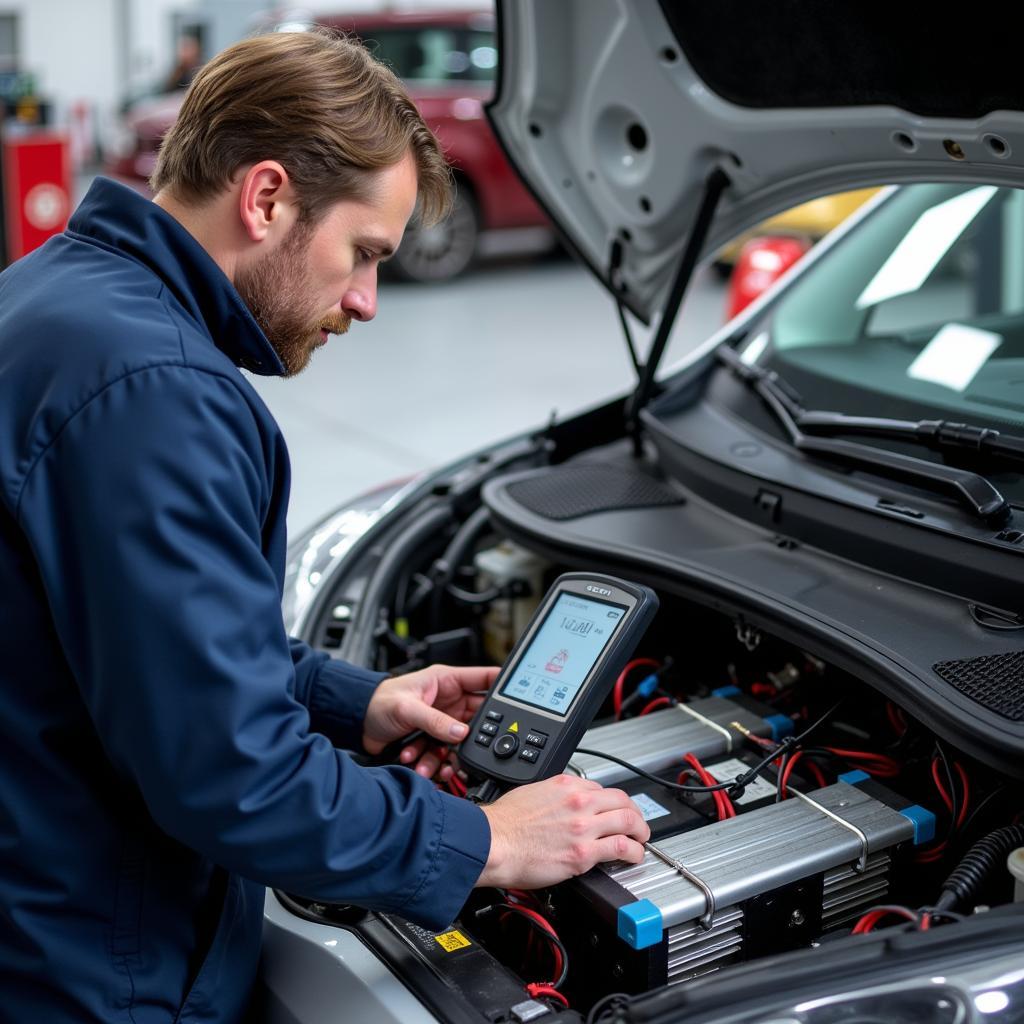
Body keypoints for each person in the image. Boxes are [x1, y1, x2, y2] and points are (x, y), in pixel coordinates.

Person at [0, 29, 649, 1024]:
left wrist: (361, 701)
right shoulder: (158, 395)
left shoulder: (51, 300)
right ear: (266, 199)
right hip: (89, 969)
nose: (366, 300)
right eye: (362, 253)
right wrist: (488, 843)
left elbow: (139, 646)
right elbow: (230, 776)